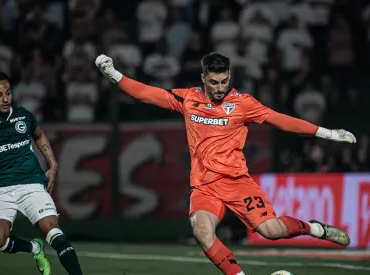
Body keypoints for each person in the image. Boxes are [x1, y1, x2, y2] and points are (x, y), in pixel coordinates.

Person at [95, 52, 356, 275]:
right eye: (214, 82)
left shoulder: (243, 104)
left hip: (237, 183)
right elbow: (147, 94)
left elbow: (279, 119)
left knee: (272, 230)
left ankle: (315, 228)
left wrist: (326, 133)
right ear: (203, 79)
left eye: (224, 81)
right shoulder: (189, 99)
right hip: (205, 187)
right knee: (202, 231)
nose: (220, 87)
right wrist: (114, 75)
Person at [0, 69, 83, 275]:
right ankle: (34, 248)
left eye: (8, 93)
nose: (5, 99)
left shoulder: (23, 115)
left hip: (31, 183)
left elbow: (39, 135)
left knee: (54, 230)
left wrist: (53, 165)